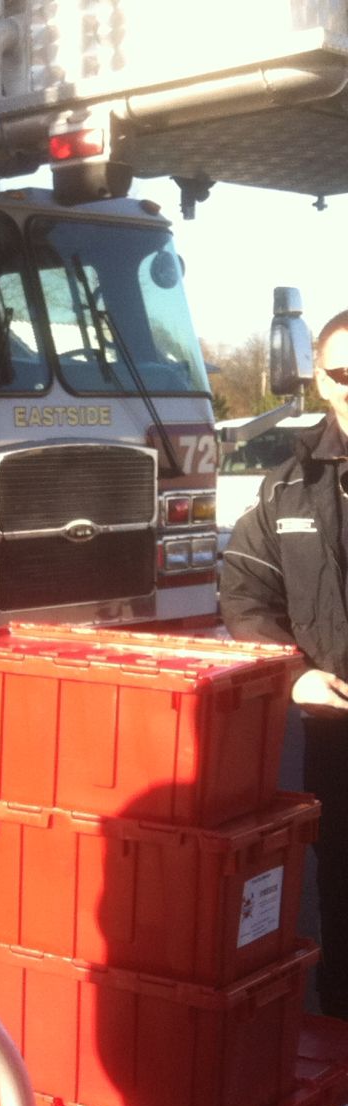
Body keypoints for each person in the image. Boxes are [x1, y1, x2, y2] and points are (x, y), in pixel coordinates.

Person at [221, 306, 348, 1018]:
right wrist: (295, 671)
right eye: (343, 372)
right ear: (323, 383)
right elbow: (243, 591)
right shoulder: (286, 488)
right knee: (341, 885)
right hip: (336, 729)